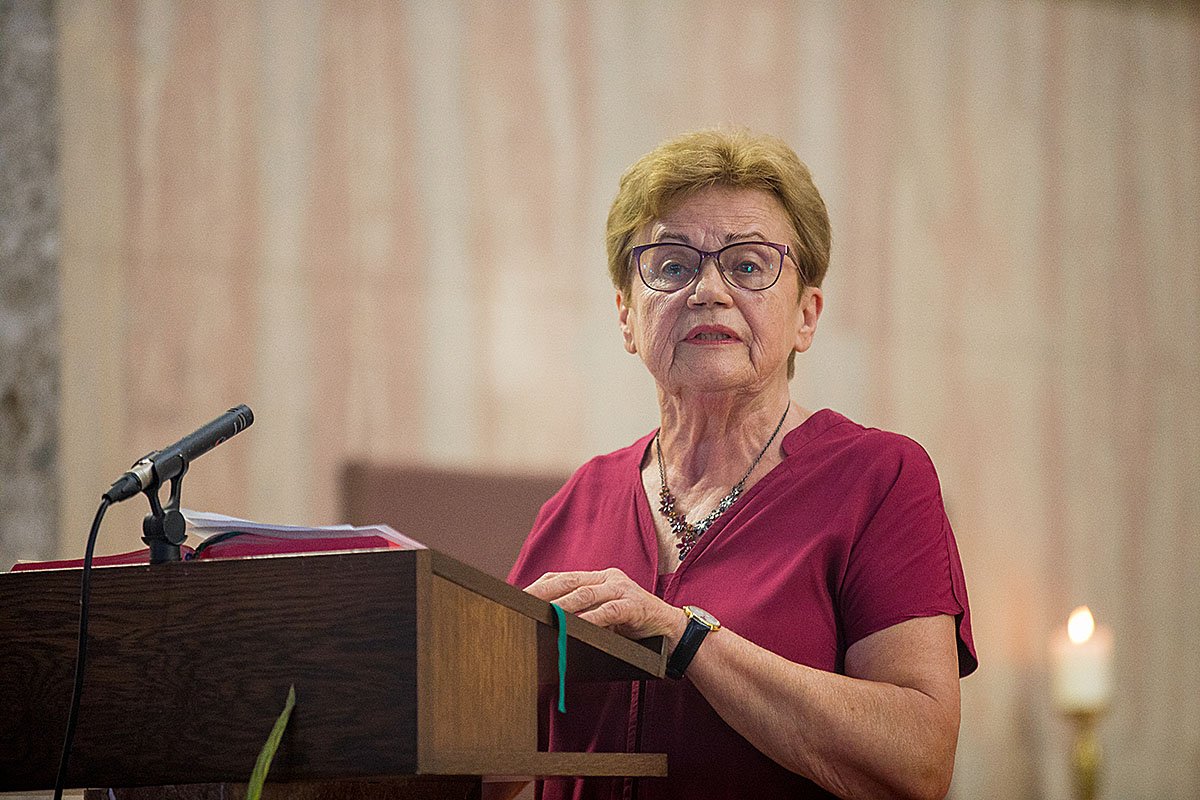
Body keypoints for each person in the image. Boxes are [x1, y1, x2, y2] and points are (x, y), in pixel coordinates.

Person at [507, 129, 975, 800]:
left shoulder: (879, 479)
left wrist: (687, 639)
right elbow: (485, 759)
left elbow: (917, 761)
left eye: (749, 266)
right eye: (672, 266)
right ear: (627, 317)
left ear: (806, 317)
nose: (708, 290)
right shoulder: (578, 503)